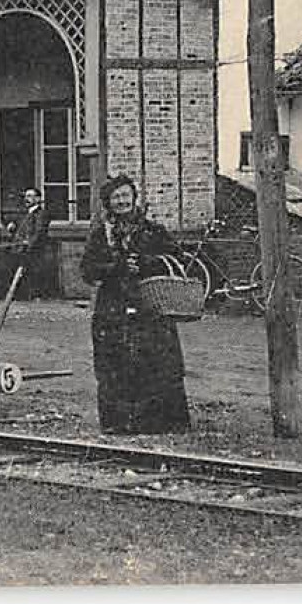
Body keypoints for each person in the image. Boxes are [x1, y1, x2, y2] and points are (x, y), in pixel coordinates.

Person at [80, 174, 192, 435]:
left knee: (157, 362)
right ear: (108, 203)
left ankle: (160, 423)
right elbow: (87, 270)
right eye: (115, 197)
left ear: (134, 197)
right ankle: (118, 423)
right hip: (113, 308)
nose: (122, 201)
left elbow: (175, 259)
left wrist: (146, 263)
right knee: (114, 364)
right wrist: (115, 268)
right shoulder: (100, 235)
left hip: (150, 305)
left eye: (125, 195)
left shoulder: (153, 231)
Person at [8, 187, 55, 300]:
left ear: (38, 199)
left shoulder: (42, 214)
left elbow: (39, 233)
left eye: (30, 196)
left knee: (33, 273)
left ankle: (35, 296)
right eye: (26, 196)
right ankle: (20, 295)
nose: (26, 199)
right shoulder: (24, 213)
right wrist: (12, 227)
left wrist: (28, 245)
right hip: (20, 248)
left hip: (33, 250)